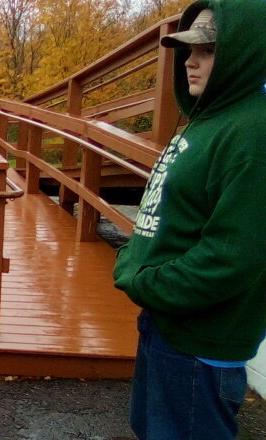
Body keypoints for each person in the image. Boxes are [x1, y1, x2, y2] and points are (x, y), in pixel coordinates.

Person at [112, 1, 266, 439]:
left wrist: (144, 281)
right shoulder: (210, 120)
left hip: (201, 345)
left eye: (209, 50)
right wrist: (134, 258)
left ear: (245, 52)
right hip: (167, 326)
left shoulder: (254, 132)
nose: (191, 61)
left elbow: (234, 256)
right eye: (188, 50)